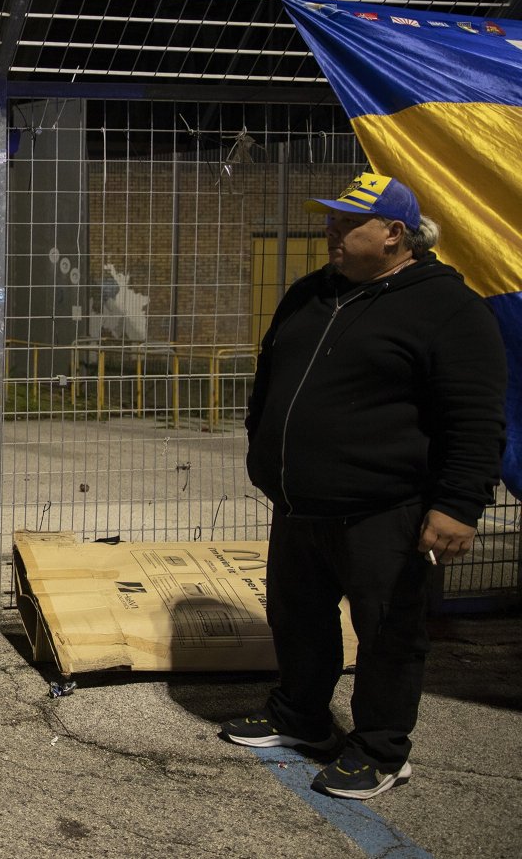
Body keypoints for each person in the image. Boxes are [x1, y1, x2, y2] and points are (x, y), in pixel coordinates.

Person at [224, 171, 506, 799]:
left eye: (349, 224)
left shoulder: (449, 310)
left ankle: (381, 748)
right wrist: (262, 443)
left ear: (395, 235)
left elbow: (476, 419)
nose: (332, 231)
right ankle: (300, 717)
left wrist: (459, 506)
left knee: (388, 633)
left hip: (389, 510)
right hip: (300, 505)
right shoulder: (310, 293)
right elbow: (270, 380)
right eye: (332, 219)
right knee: (297, 617)